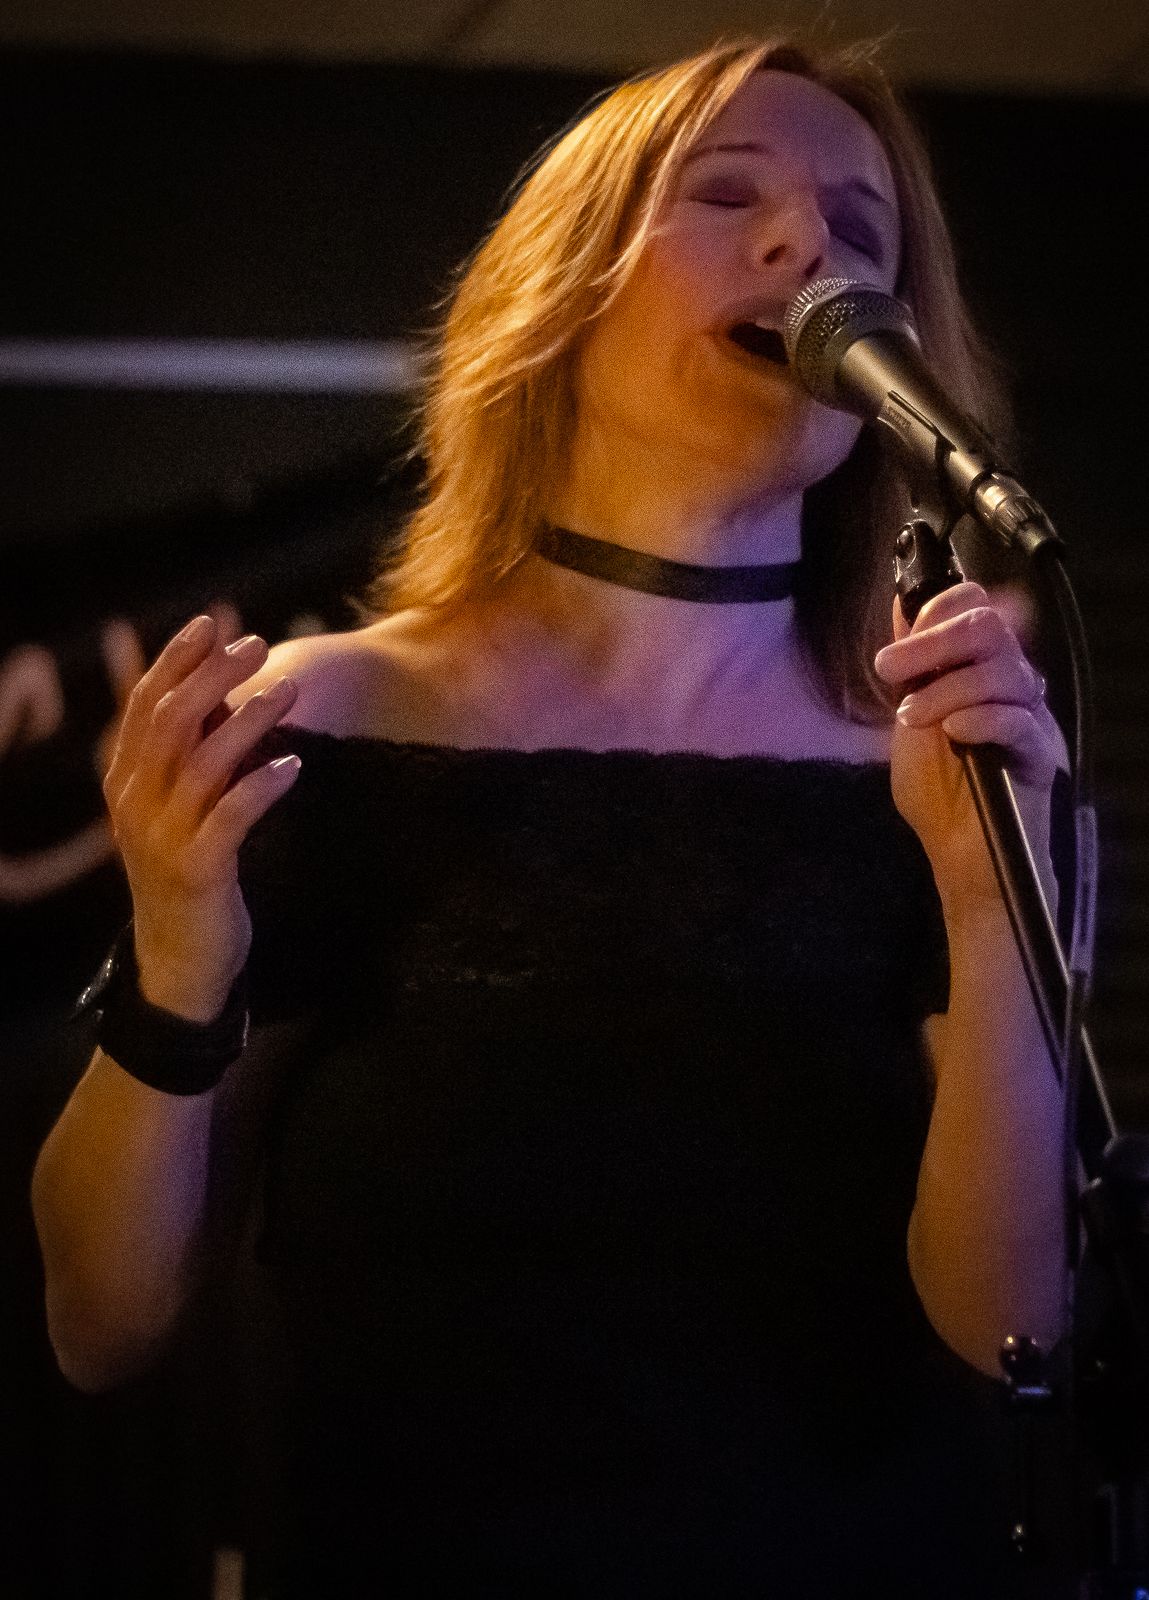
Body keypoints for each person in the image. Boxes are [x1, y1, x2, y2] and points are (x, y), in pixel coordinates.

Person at [32, 35, 1071, 1597]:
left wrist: (995, 907)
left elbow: (1013, 1330)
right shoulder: (330, 719)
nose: (808, 244)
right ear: (563, 288)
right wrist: (179, 958)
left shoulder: (953, 764)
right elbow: (101, 1323)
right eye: (727, 194)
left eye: (862, 231)